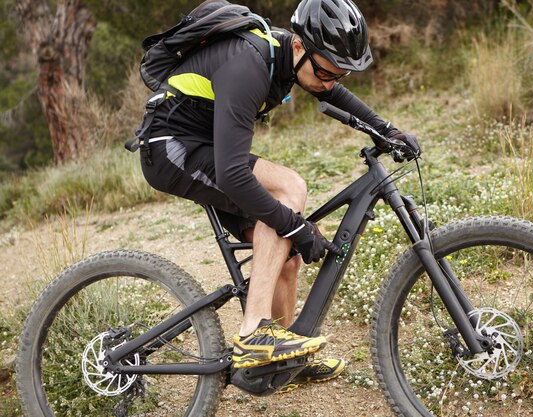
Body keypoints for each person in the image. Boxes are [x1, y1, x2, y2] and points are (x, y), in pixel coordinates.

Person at [138, 0, 419, 391]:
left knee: (283, 256)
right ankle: (254, 333)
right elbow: (235, 175)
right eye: (325, 72)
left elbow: (331, 92)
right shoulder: (248, 64)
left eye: (340, 74)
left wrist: (386, 130)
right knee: (290, 188)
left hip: (206, 146)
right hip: (172, 149)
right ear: (301, 46)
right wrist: (296, 226)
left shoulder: (287, 56)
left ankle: (287, 361)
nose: (330, 81)